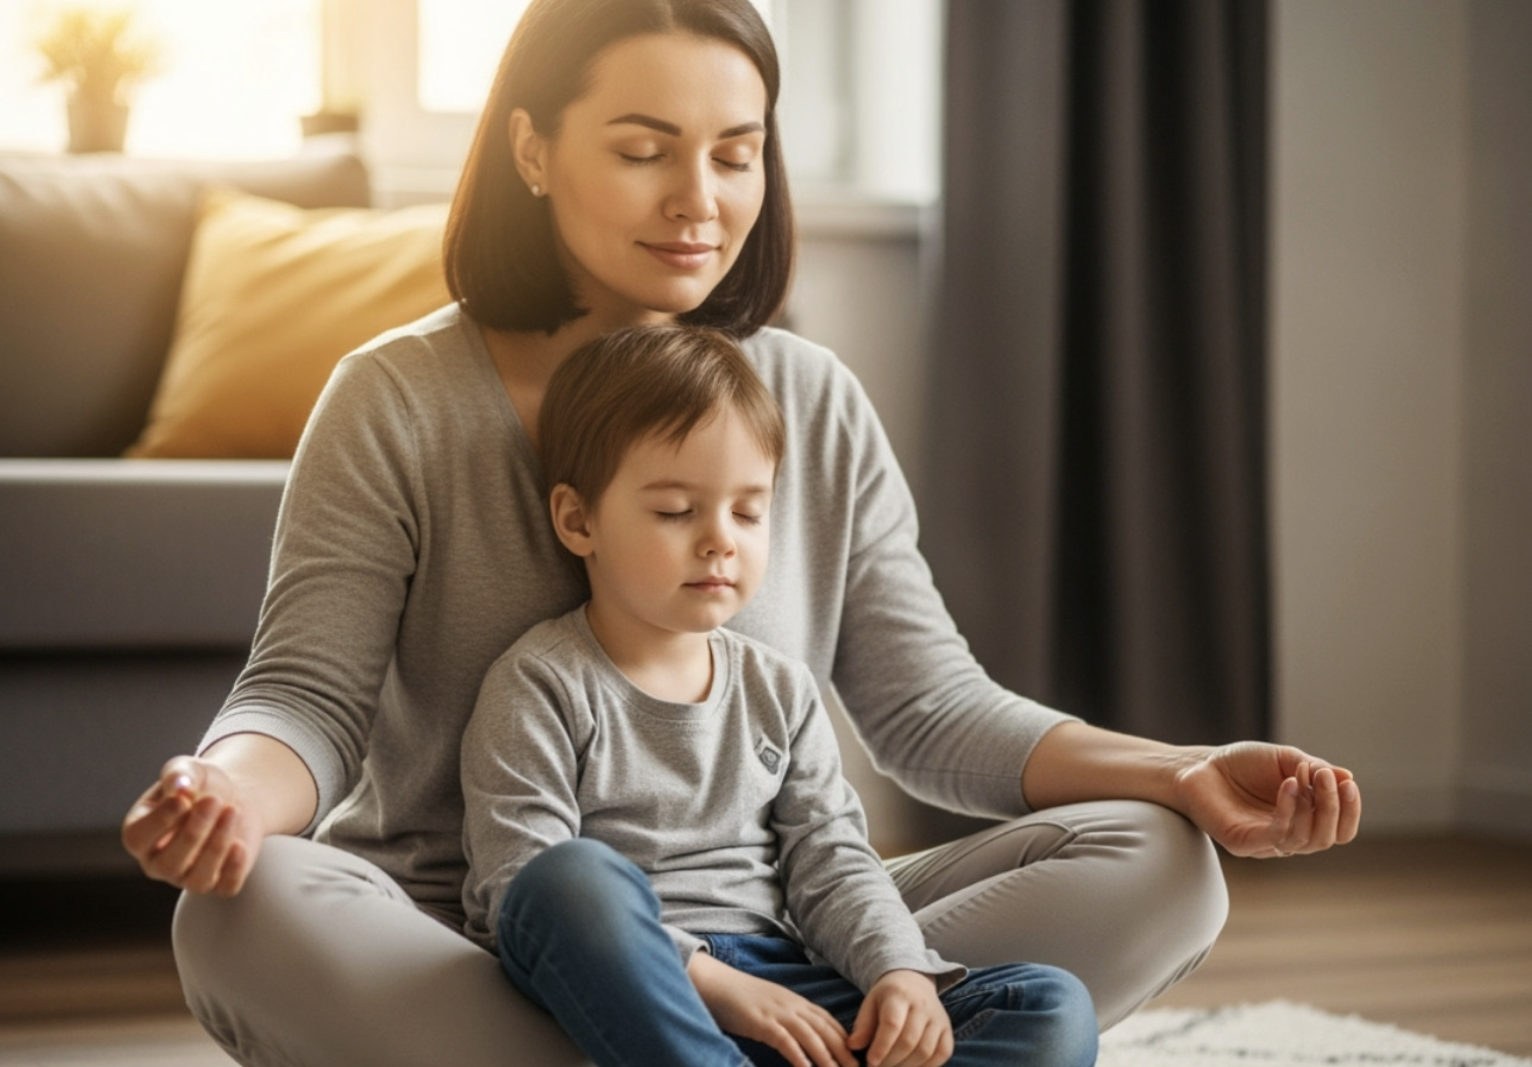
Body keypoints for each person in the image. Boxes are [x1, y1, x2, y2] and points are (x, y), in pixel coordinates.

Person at [121, 0, 1361, 1065]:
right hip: (473, 929)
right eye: (644, 149)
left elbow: (928, 711)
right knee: (242, 900)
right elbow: (308, 700)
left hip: (782, 937)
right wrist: (222, 793)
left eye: (735, 152)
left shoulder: (810, 399)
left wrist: (1181, 772)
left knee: (1161, 857)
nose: (697, 201)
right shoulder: (394, 399)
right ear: (533, 150)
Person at [462, 322, 1096, 1067]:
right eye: (675, 511)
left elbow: (830, 857)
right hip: (642, 992)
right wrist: (714, 985)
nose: (719, 540)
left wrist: (899, 971)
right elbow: (514, 892)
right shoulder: (539, 683)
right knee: (567, 879)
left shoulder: (780, 690)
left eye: (748, 511)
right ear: (578, 519)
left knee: (1049, 1008)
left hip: (788, 989)